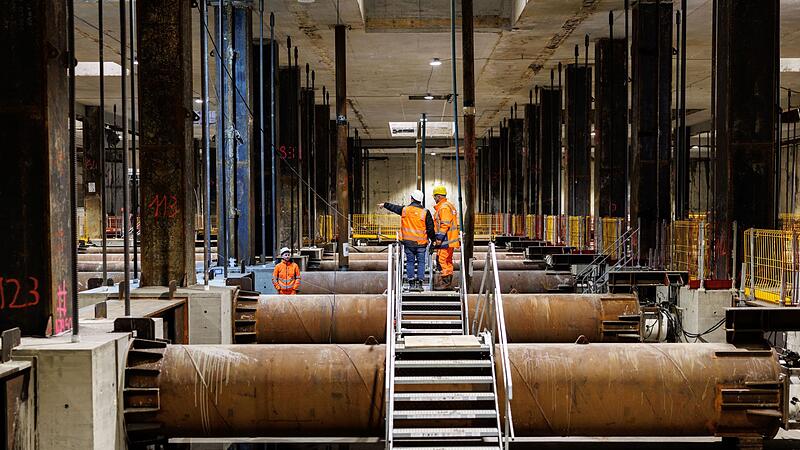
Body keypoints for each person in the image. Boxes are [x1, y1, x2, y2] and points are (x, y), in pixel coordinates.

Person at [378, 190, 434, 291]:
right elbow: (430, 229)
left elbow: (394, 208)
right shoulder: (425, 212)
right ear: (421, 200)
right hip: (421, 244)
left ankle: (411, 284)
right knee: (421, 262)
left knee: (410, 262)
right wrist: (433, 241)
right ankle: (420, 284)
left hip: (408, 243)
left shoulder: (404, 210)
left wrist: (384, 204)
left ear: (412, 198)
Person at [432, 186, 460, 289]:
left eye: (435, 197)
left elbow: (445, 224)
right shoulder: (449, 206)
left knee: (441, 260)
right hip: (450, 239)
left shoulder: (443, 207)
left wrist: (439, 238)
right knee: (448, 261)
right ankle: (447, 283)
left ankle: (445, 283)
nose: (434, 199)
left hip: (446, 239)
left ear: (438, 196)